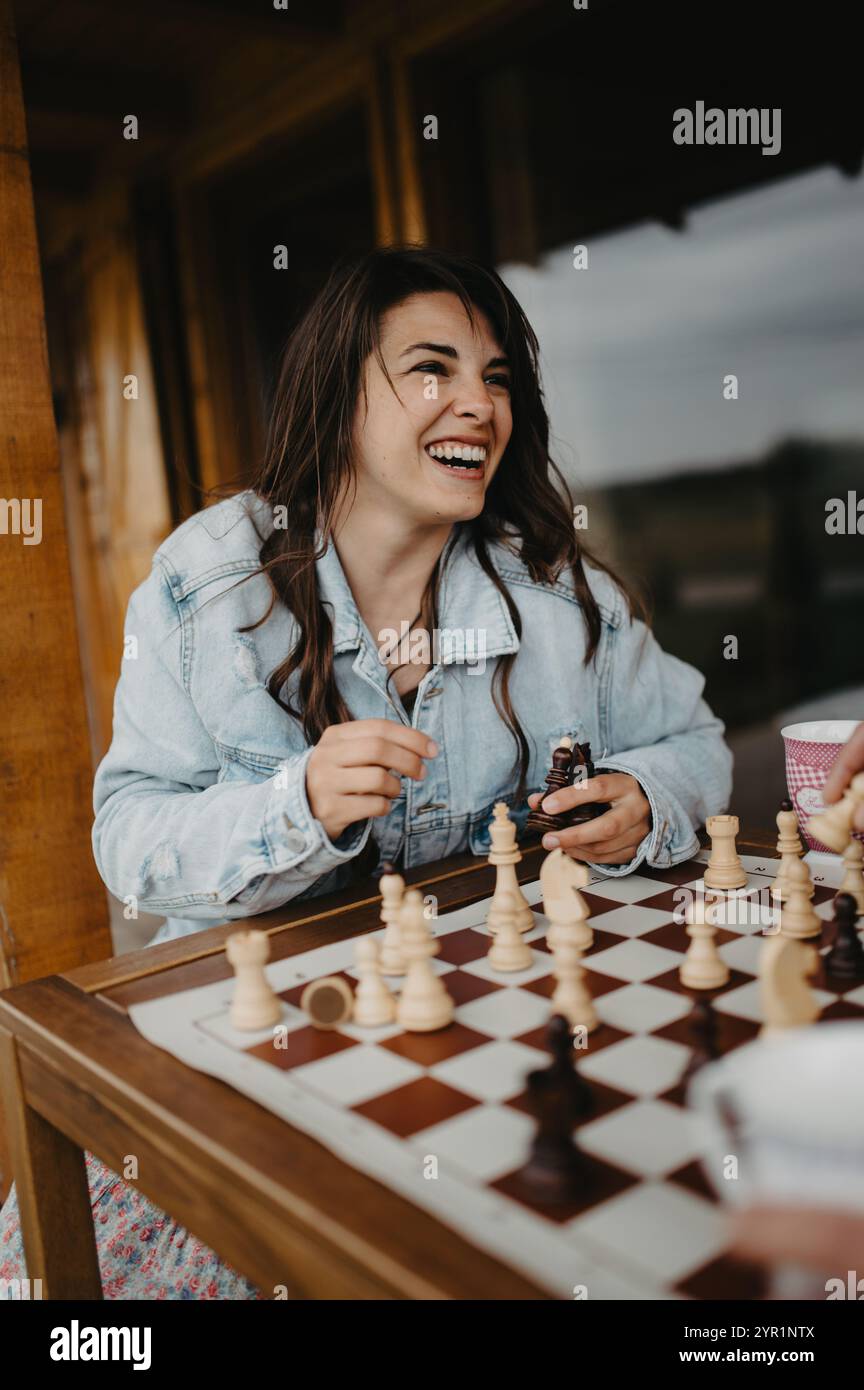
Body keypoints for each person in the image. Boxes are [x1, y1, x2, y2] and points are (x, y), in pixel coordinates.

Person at [1, 246, 732, 1298]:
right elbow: (128, 841)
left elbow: (700, 743)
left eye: (497, 378)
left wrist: (646, 798)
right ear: (340, 395)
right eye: (432, 369)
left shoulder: (558, 598)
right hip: (241, 1069)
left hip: (478, 1049)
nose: (477, 404)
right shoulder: (209, 586)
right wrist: (292, 806)